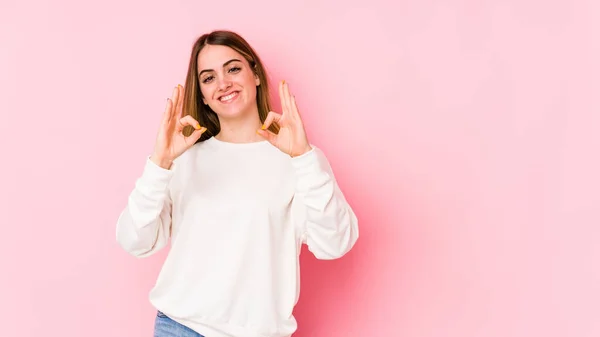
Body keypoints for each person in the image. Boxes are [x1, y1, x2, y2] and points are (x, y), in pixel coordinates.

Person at [115, 30, 359, 337]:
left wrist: (303, 158)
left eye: (233, 69)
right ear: (202, 94)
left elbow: (335, 243)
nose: (223, 83)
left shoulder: (299, 160)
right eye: (208, 78)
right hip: (180, 328)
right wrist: (159, 164)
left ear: (254, 74)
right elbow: (134, 241)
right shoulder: (183, 159)